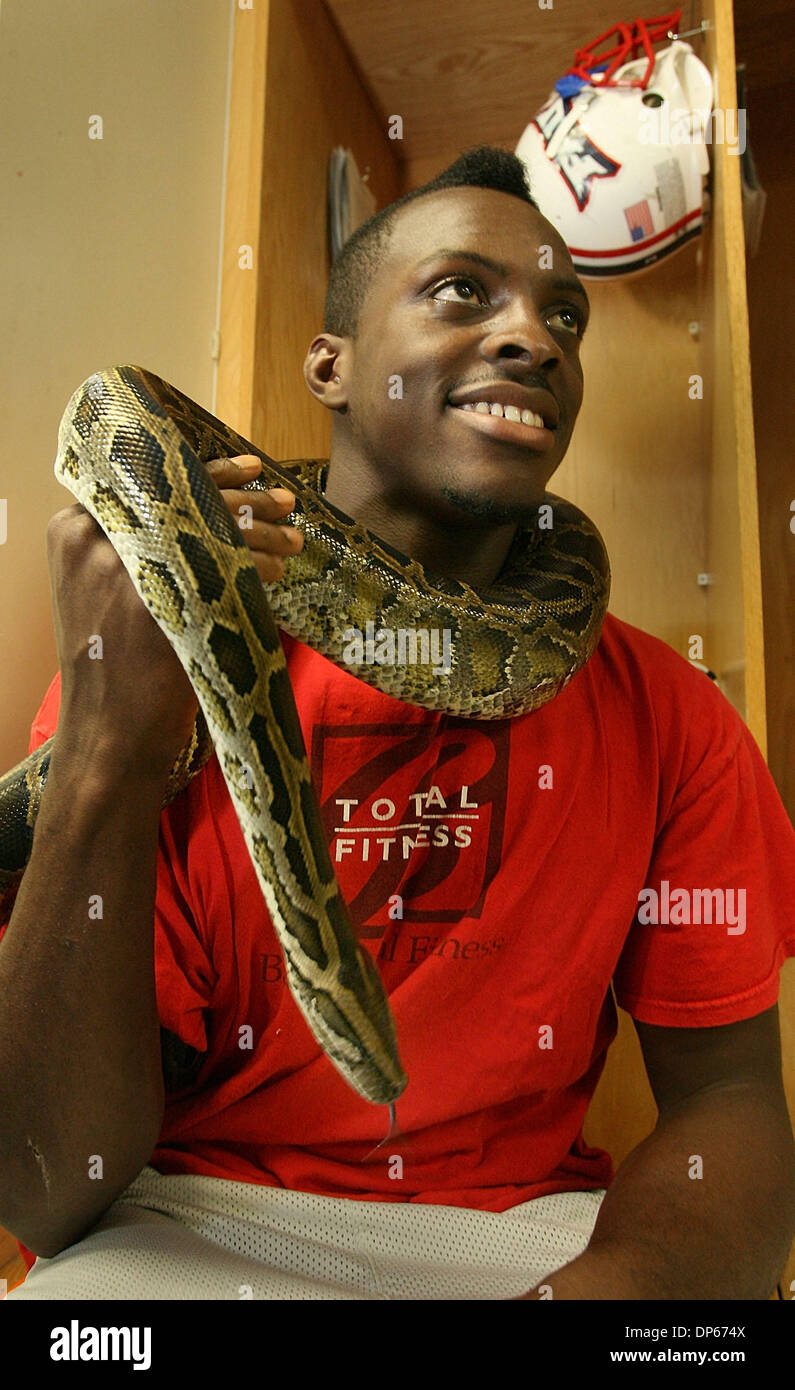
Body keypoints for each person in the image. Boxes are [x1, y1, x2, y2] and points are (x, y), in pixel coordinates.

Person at [2, 147, 794, 1302]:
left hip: (526, 1232)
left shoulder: (674, 718)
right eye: (463, 291)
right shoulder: (143, 663)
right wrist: (105, 759)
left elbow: (731, 1096)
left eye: (563, 312)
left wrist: (623, 1289)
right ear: (332, 362)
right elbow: (39, 1188)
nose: (536, 336)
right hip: (193, 1219)